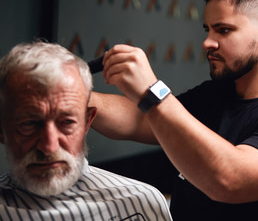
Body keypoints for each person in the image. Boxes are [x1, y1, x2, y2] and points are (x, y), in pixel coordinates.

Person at [89, 0, 258, 220]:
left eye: (223, 30)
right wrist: (74, 95)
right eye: (208, 30)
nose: (207, 43)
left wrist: (154, 91)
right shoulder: (215, 94)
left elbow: (229, 178)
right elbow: (140, 120)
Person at [0, 41, 172, 221]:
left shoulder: (140, 204)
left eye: (67, 122)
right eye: (29, 123)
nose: (49, 147)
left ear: (87, 121)